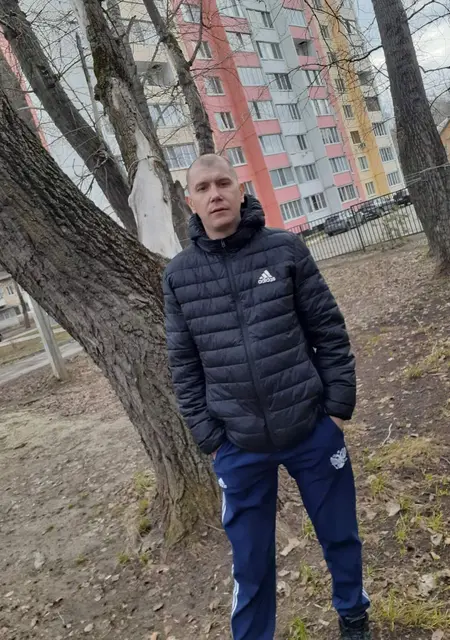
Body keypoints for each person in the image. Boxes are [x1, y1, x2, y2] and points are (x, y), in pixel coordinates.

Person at [163, 154, 371, 640]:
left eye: (223, 183)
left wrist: (336, 411)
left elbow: (328, 329)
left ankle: (353, 615)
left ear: (241, 190)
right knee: (250, 563)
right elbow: (183, 366)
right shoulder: (178, 276)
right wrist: (211, 439)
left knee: (340, 535)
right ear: (190, 201)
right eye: (203, 188)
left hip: (311, 429)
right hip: (238, 445)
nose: (215, 194)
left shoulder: (285, 249)